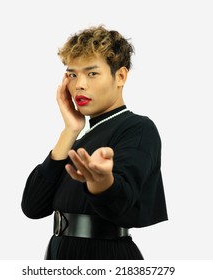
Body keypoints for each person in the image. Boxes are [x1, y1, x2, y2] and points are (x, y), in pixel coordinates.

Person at [21, 25, 168, 260]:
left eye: (92, 73)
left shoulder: (138, 128)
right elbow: (33, 206)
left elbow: (121, 200)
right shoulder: (81, 139)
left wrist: (102, 182)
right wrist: (70, 131)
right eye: (72, 74)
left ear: (120, 76)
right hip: (60, 254)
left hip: (104, 256)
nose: (79, 84)